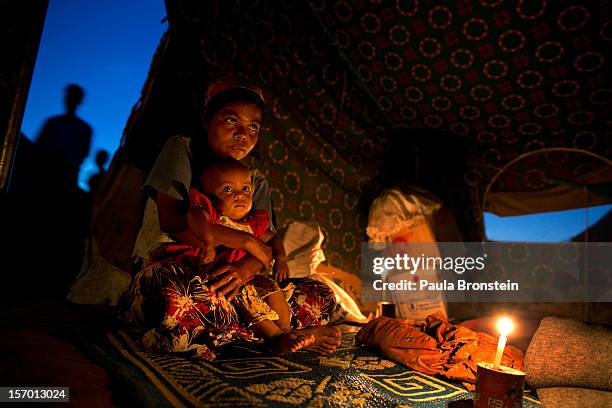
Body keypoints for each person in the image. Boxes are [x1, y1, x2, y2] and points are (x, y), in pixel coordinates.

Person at [120, 78, 342, 359]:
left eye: (253, 126)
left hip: (236, 277)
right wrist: (244, 241)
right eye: (230, 121)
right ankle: (274, 334)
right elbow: (173, 223)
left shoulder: (254, 178)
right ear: (207, 120)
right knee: (179, 297)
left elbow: (264, 246)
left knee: (319, 294)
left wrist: (243, 271)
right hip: (179, 266)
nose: (243, 134)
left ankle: (273, 334)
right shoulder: (182, 150)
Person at [35, 84, 92, 191]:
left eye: (73, 97)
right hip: (47, 174)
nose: (70, 99)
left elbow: (84, 153)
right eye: (69, 96)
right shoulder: (52, 123)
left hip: (67, 177)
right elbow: (38, 148)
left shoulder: (85, 129)